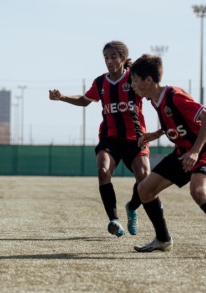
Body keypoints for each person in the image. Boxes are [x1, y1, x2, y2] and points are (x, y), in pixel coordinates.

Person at [49, 41, 150, 237]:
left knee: (144, 177)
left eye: (113, 57)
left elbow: (153, 95)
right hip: (110, 138)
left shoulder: (134, 80)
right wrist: (62, 97)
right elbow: (84, 101)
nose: (109, 61)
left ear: (122, 58)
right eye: (106, 58)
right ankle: (114, 220)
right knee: (103, 170)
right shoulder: (100, 82)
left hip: (135, 138)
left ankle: (132, 207)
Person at [130, 54, 206, 252]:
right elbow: (176, 122)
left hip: (201, 150)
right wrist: (155, 134)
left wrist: (195, 151)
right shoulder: (156, 100)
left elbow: (205, 116)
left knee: (198, 191)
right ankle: (163, 240)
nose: (133, 84)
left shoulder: (174, 95)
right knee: (144, 190)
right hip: (183, 153)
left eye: (135, 80)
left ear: (148, 80)